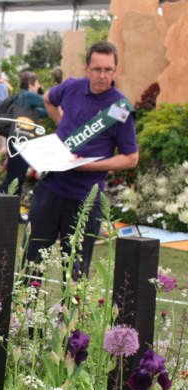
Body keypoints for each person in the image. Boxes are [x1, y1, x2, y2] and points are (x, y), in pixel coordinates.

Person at [25, 41, 138, 278]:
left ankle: (70, 316)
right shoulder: (71, 87)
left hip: (86, 198)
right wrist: (62, 129)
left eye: (108, 70)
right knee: (31, 262)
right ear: (87, 68)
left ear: (115, 70)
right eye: (97, 69)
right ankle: (22, 313)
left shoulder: (120, 108)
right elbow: (48, 99)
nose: (102, 75)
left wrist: (91, 166)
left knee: (76, 272)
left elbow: (130, 158)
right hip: (49, 189)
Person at [0, 71, 48, 197]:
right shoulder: (29, 96)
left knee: (16, 176)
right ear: (31, 84)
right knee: (15, 177)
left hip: (15, 140)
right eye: (37, 84)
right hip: (21, 141)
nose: (39, 87)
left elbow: (44, 113)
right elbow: (48, 102)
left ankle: (11, 210)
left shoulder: (22, 98)